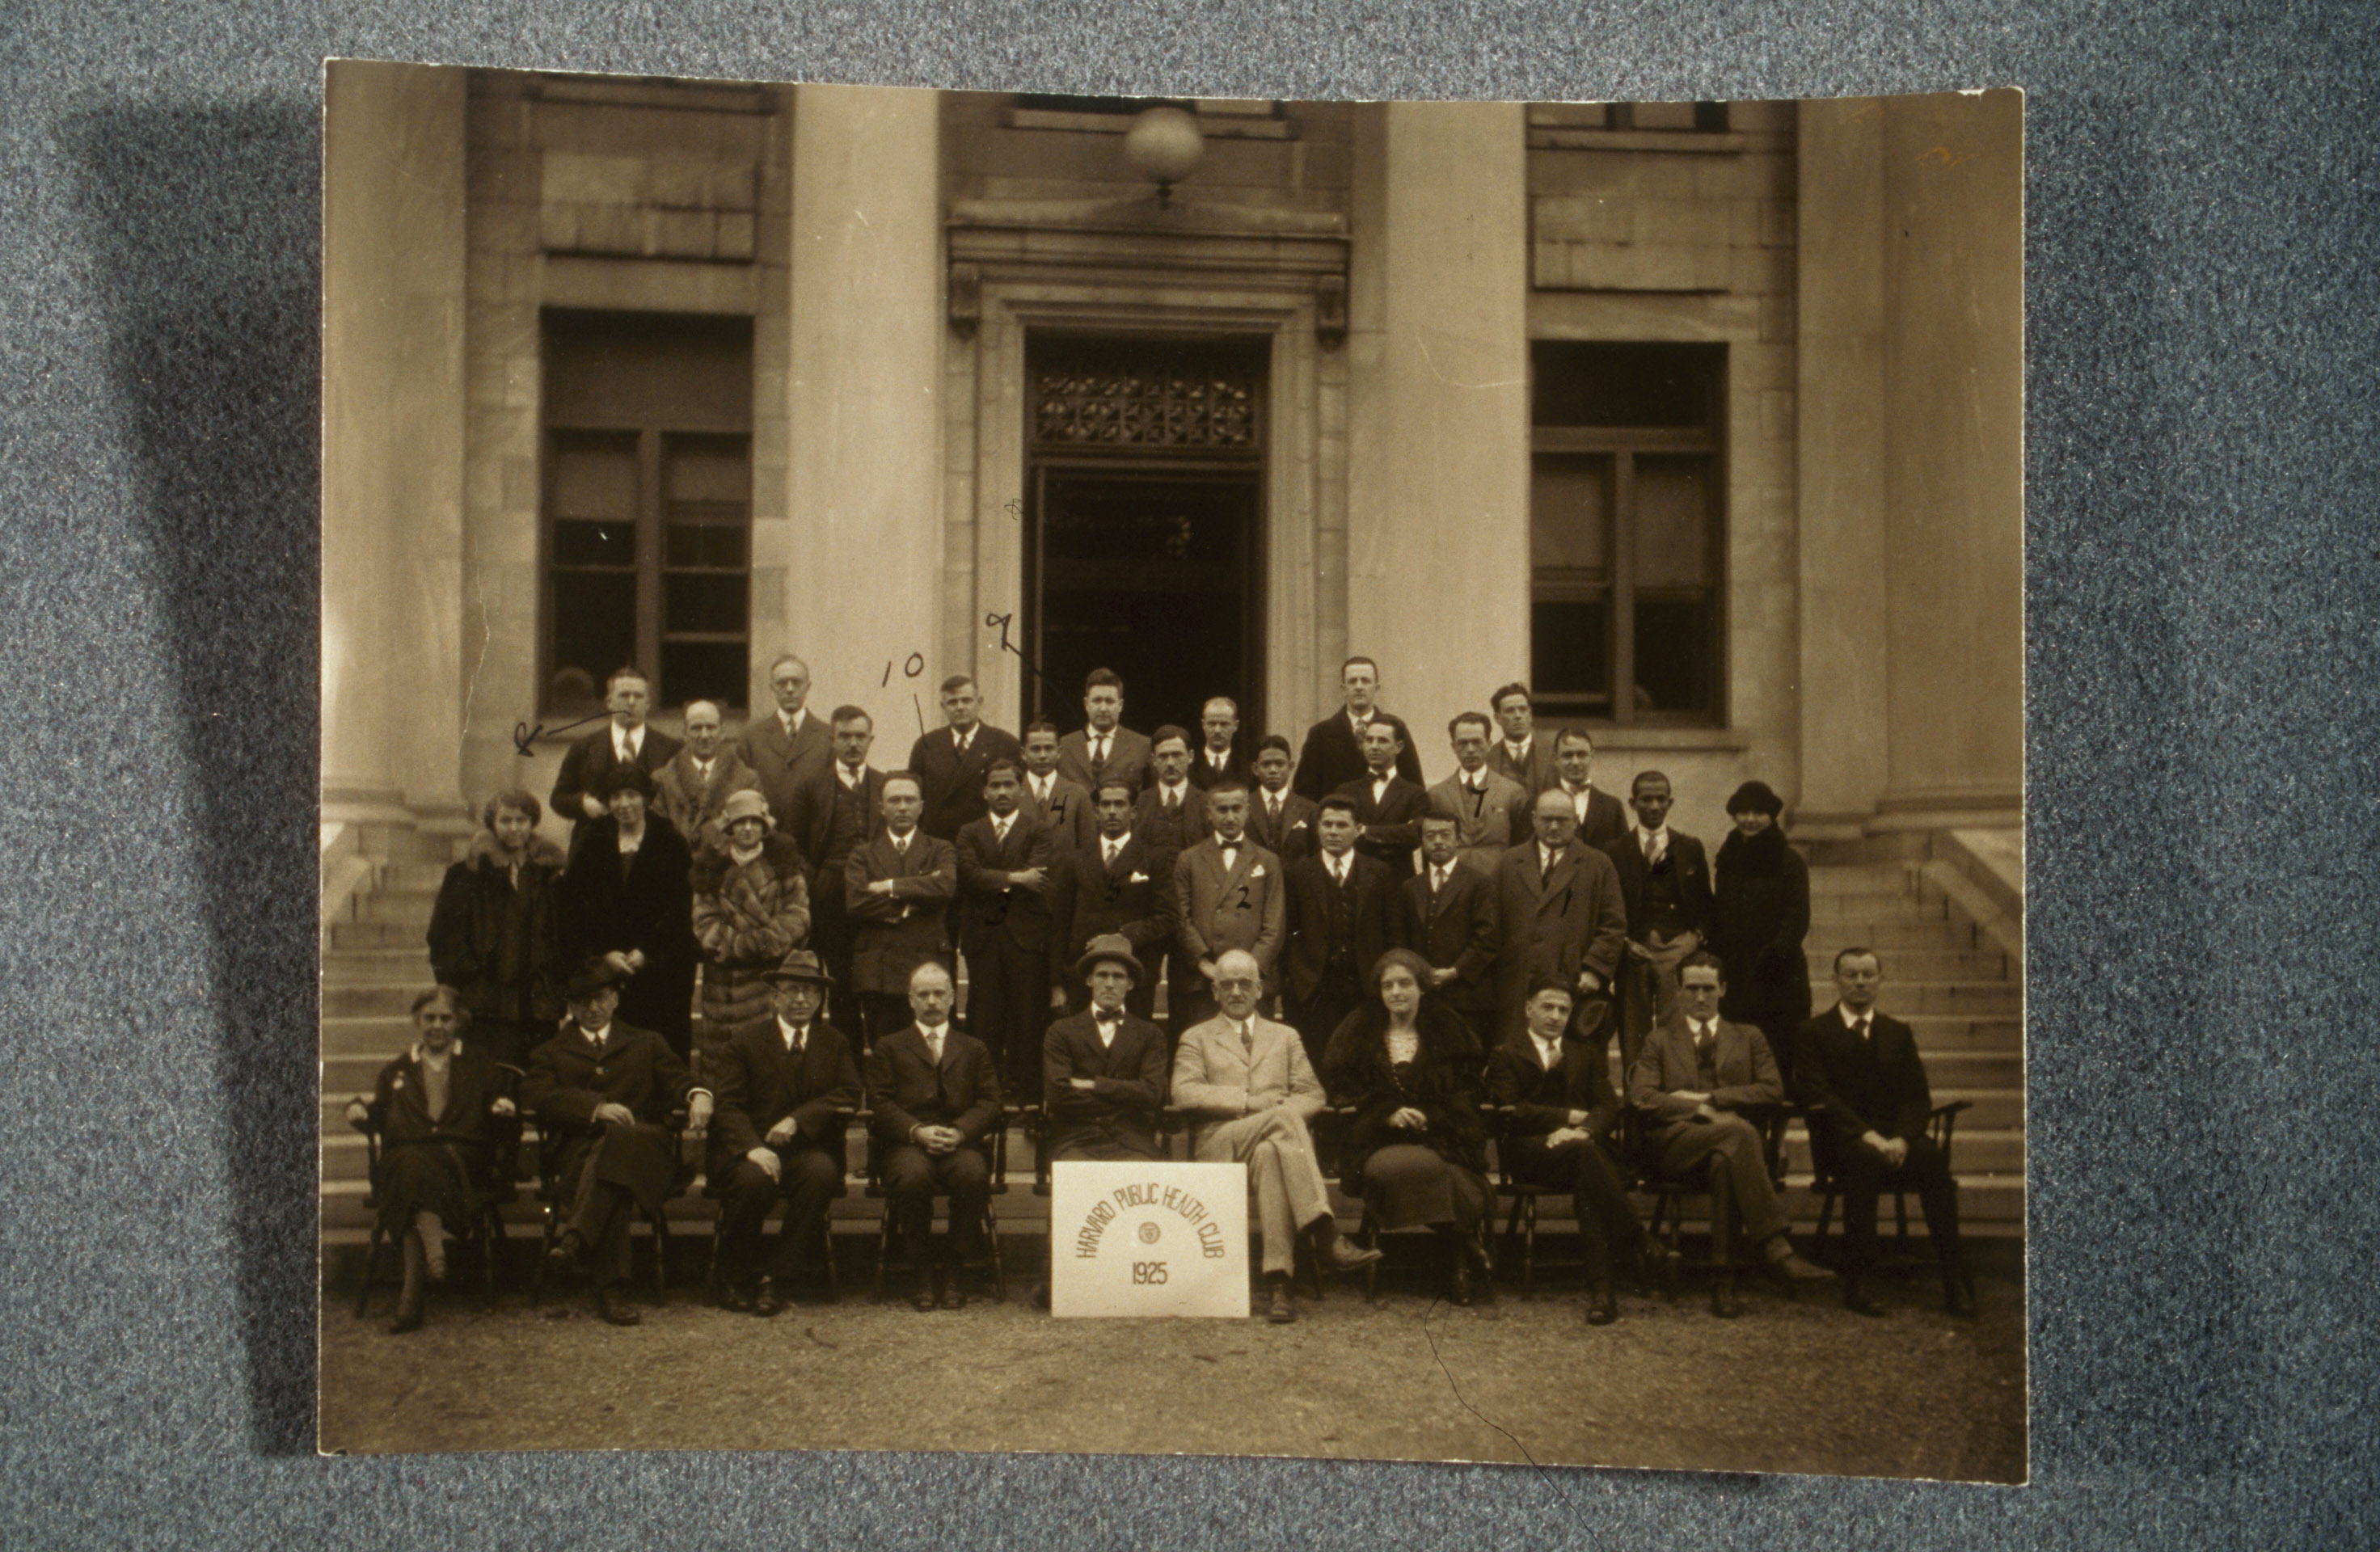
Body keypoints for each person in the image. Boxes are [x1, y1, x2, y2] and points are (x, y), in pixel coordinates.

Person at [1171, 949, 1382, 1322]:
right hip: (1219, 1143)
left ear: (1260, 989)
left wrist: (1280, 1116)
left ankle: (1279, 1282)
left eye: (1245, 983)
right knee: (1282, 1121)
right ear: (1215, 992)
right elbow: (1185, 1092)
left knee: (1273, 1152)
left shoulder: (1285, 1037)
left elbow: (1313, 1094)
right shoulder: (1196, 1037)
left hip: (1273, 1145)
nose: (1236, 991)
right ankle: (1325, 1233)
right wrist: (1252, 1102)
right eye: (1227, 985)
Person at [1627, 952, 1832, 1317]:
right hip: (1675, 1147)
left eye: (1708, 988)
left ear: (1723, 989)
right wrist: (1697, 1111)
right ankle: (1777, 1248)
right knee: (1739, 1132)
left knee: (1727, 1155)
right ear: (1678, 991)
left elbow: (1773, 1090)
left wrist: (1712, 1098)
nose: (1701, 997)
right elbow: (1641, 1096)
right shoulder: (1660, 1040)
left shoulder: (1749, 1036)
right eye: (1692, 988)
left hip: (1730, 1151)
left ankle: (1723, 1280)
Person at [522, 961, 713, 1326]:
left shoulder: (646, 1041)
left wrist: (698, 1095)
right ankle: (613, 1290)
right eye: (581, 1002)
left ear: (615, 1000)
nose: (591, 1009)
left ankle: (577, 1239)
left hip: (646, 1149)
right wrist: (595, 1109)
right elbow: (537, 1095)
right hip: (580, 1155)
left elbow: (678, 1080)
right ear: (570, 1007)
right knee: (614, 1174)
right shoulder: (551, 1051)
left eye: (599, 999)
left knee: (622, 1143)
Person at [1796, 948, 1977, 1318]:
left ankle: (1953, 1278)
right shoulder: (1815, 1031)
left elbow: (1917, 1096)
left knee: (1931, 1159)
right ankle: (1858, 1281)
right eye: (1851, 975)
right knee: (1863, 1163)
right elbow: (1819, 1096)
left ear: (1880, 980)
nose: (1860, 982)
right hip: (1844, 1141)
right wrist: (1870, 1137)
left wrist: (1903, 1138)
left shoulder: (1897, 1032)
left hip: (1896, 1140)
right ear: (1835, 981)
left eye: (1867, 975)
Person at [1483, 981, 1671, 1325]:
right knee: (1588, 1158)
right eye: (1547, 1007)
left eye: (1563, 1010)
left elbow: (1608, 1105)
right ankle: (1638, 1239)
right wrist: (1565, 1118)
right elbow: (1513, 1109)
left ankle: (1603, 1294)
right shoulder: (1505, 1054)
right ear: (1529, 1009)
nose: (1555, 1016)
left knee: (1587, 1171)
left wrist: (1582, 1131)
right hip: (1531, 1155)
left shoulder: (1584, 1053)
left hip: (1582, 1152)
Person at [1319, 949, 1494, 1305]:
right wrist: (1386, 1113)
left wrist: (1431, 1114)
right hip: (1378, 1142)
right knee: (1407, 1169)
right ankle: (1460, 1246)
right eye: (1388, 985)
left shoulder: (1449, 1032)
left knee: (1441, 1167)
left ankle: (1456, 1260)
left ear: (1422, 988)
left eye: (1405, 983)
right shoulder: (1359, 1034)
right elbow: (1343, 1093)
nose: (1396, 992)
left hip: (1439, 1138)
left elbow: (1467, 1093)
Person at [344, 988, 518, 1332]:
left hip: (459, 1159)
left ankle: (410, 1299)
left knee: (409, 1175)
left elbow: (497, 1098)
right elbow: (378, 1112)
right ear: (416, 1021)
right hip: (408, 1158)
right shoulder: (397, 1069)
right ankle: (431, 1256)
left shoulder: (478, 1063)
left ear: (458, 1022)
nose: (437, 1026)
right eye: (429, 1018)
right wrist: (357, 1108)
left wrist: (500, 1105)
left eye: (445, 1018)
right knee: (409, 1164)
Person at [706, 951, 861, 1317]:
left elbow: (850, 1092)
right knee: (754, 1182)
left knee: (821, 1174)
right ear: (774, 997)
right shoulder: (744, 1041)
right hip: (750, 1151)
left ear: (820, 999)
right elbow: (727, 1104)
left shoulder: (833, 1042)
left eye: (809, 992)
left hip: (805, 1149)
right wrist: (752, 1148)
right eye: (792, 990)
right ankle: (734, 1278)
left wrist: (798, 1120)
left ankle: (777, 1278)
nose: (801, 1000)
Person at [863, 962, 1003, 1310]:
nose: (931, 1001)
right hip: (908, 1143)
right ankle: (922, 1270)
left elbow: (990, 1102)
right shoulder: (890, 1046)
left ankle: (955, 1269)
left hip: (961, 1143)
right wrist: (917, 1131)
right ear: (910, 1000)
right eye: (922, 995)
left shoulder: (974, 1048)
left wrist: (960, 1132)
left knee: (973, 1177)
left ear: (953, 997)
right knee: (912, 1179)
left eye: (939, 994)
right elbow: (879, 1102)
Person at [557, 765, 698, 1060]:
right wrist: (605, 953)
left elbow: (681, 906)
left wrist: (648, 951)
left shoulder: (670, 841)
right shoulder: (593, 841)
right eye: (616, 797)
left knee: (662, 1044)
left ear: (645, 799)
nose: (624, 804)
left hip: (660, 966)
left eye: (631, 795)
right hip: (607, 965)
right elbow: (575, 904)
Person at [426, 788, 566, 1069]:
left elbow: (564, 933)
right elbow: (443, 938)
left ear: (532, 823)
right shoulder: (465, 875)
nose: (514, 828)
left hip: (538, 1004)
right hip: (488, 1006)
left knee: (537, 1080)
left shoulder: (548, 873)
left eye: (522, 820)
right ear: (492, 824)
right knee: (490, 1084)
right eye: (505, 821)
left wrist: (554, 981)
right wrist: (471, 982)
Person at [955, 759, 1059, 1101]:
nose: (1002, 792)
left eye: (1009, 785)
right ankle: (987, 1101)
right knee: (983, 1021)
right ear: (985, 792)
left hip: (1025, 939)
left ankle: (1028, 1102)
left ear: (1020, 789)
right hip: (982, 940)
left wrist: (994, 880)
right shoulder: (969, 831)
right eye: (995, 786)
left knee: (1027, 1021)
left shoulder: (1038, 829)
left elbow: (1037, 876)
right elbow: (968, 876)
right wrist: (1015, 878)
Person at [1490, 790, 1628, 1048]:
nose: (1553, 826)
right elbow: (1490, 921)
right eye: (1546, 819)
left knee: (1571, 1060)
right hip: (1518, 981)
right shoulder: (1509, 862)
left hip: (1573, 979)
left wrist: (1595, 969)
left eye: (1562, 820)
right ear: (1533, 819)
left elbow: (1614, 924)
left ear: (1576, 821)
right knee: (1518, 1056)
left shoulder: (1598, 864)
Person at [690, 789, 812, 1076]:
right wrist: (737, 944)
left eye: (754, 822)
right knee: (722, 1061)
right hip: (723, 983)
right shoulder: (710, 869)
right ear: (729, 827)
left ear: (764, 826)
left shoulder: (785, 866)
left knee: (766, 1058)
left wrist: (760, 943)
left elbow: (798, 916)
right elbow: (704, 921)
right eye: (740, 822)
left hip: (767, 978)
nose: (747, 828)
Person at [783, 705, 887, 1030]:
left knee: (864, 985)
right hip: (826, 899)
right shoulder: (811, 786)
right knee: (827, 985)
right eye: (845, 736)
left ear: (871, 739)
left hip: (873, 900)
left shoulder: (886, 785)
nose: (853, 743)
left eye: (860, 736)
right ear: (832, 740)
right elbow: (792, 844)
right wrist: (815, 883)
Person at [1602, 770, 1713, 1076]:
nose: (1653, 806)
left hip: (1676, 953)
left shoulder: (1689, 847)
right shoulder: (1615, 850)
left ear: (1670, 802)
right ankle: (1637, 1104)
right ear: (1632, 802)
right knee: (1633, 1035)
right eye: (1646, 799)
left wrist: (1694, 938)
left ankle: (1673, 1099)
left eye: (1660, 799)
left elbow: (1706, 903)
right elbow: (1606, 907)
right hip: (1633, 952)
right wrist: (1624, 943)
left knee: (1676, 1031)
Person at [1707, 780, 1812, 1093]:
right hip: (1737, 972)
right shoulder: (1728, 858)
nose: (1750, 819)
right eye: (1743, 812)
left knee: (1779, 1056)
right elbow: (1721, 910)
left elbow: (1798, 916)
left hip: (1777, 972)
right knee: (1739, 1057)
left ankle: (1774, 1135)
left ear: (1771, 816)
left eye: (1758, 812)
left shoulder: (1788, 860)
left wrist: (1775, 954)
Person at [843, 771, 958, 1050]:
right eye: (895, 800)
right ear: (882, 808)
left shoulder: (941, 848)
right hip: (880, 968)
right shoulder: (862, 854)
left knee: (932, 1046)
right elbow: (857, 902)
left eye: (910, 800)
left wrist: (889, 886)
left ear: (921, 807)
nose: (903, 807)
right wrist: (912, 904)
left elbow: (944, 886)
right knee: (884, 1049)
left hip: (928, 959)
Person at [1281, 795, 1395, 1069]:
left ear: (1358, 829)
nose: (1333, 832)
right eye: (1327, 824)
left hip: (1364, 983)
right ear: (1317, 828)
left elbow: (1393, 932)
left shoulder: (1379, 872)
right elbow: (1289, 932)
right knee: (1316, 1056)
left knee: (1362, 1055)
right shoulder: (1298, 873)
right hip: (1315, 985)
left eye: (1342, 825)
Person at [1170, 780, 1285, 1033]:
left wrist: (1249, 972)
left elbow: (1274, 924)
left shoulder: (1268, 861)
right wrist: (1206, 966)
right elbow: (1181, 917)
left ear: (1247, 811)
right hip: (1205, 981)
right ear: (1209, 813)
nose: (1230, 816)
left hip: (1253, 980)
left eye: (1236, 808)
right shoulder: (1189, 859)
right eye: (1222, 810)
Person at [1042, 935, 1170, 1160]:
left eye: (1118, 976)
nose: (1110, 983)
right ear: (1089, 980)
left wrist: (1094, 1084)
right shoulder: (1061, 1031)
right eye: (1102, 975)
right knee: (1075, 1174)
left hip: (1133, 1141)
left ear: (1130, 983)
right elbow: (1058, 1095)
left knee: (1143, 1174)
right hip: (1075, 1140)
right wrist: (1125, 1097)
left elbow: (1152, 1094)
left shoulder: (1151, 1035)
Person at [1057, 779, 1175, 1020]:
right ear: (1096, 811)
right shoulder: (1075, 860)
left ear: (1133, 812)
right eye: (1106, 804)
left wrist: (1122, 936)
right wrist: (1057, 982)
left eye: (1119, 804)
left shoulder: (1153, 858)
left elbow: (1167, 916)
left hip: (1135, 973)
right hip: (1084, 973)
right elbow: (1061, 922)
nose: (1112, 811)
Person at [1391, 813, 1500, 1046]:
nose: (1438, 841)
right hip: (1423, 996)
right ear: (1422, 842)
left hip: (1468, 997)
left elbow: (1487, 939)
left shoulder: (1480, 883)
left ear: (1458, 839)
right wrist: (1417, 976)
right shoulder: (1410, 887)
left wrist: (1455, 971)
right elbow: (1402, 940)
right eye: (1430, 836)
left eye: (1445, 835)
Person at [549, 667, 684, 836]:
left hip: (653, 845)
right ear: (609, 702)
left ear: (648, 703)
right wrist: (583, 804)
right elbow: (559, 797)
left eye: (639, 696)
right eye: (624, 695)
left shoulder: (671, 749)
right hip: (595, 844)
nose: (632, 702)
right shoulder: (584, 747)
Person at [907, 673, 1023, 842]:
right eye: (952, 702)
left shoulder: (1004, 743)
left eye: (966, 700)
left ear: (980, 702)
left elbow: (1018, 797)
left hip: (988, 842)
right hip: (938, 841)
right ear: (943, 706)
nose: (960, 707)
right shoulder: (926, 745)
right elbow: (914, 797)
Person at [1292, 656, 1423, 801]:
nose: (1359, 687)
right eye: (1352, 681)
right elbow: (1304, 795)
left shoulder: (1397, 729)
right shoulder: (1321, 733)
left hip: (1384, 822)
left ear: (1376, 687)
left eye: (1365, 681)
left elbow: (1415, 788)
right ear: (1343, 689)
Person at [738, 653, 833, 835]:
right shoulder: (751, 738)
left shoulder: (828, 737)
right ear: (772, 688)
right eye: (782, 683)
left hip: (812, 842)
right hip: (766, 841)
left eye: (796, 682)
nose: (790, 689)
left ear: (808, 687)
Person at [1427, 711, 1533, 875]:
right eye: (1463, 743)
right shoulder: (1437, 794)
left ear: (1489, 744)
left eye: (1477, 742)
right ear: (1453, 747)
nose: (1470, 749)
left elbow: (1523, 848)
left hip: (1497, 879)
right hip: (1454, 883)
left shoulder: (1513, 792)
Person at [652, 698, 760, 853]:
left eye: (711, 727)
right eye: (696, 728)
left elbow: (752, 834)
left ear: (722, 732)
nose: (704, 735)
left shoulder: (747, 780)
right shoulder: (663, 780)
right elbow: (657, 835)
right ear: (685, 733)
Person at [1331, 719, 1428, 880]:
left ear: (1399, 747)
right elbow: (1340, 833)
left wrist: (1365, 831)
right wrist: (1396, 832)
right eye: (1369, 740)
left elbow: (1416, 834)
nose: (1374, 746)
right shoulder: (1345, 790)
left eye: (1382, 741)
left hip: (1397, 878)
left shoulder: (1414, 793)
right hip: (1356, 877)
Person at [1055, 668, 1152, 796]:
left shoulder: (1143, 746)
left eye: (1109, 701)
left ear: (1121, 705)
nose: (1103, 708)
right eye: (1097, 700)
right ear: (1086, 704)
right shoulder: (1064, 746)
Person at [1019, 719, 1096, 857]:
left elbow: (1088, 849)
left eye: (1049, 748)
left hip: (1063, 876)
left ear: (1059, 752)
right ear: (1023, 753)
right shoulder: (1012, 793)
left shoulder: (1077, 794)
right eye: (1036, 749)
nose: (1043, 755)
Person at [1132, 725, 1211, 857]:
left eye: (1177, 755)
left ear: (1190, 757)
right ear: (1154, 760)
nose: (1170, 763)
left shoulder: (1206, 802)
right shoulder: (1140, 802)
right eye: (1163, 756)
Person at [1548, 728, 1628, 850]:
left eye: (1581, 755)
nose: (1575, 762)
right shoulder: (1539, 805)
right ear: (1555, 759)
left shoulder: (1612, 807)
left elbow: (1623, 855)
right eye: (1567, 755)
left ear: (1592, 756)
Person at [1245, 735, 1317, 869]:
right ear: (1255, 769)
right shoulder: (1243, 807)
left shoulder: (1310, 809)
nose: (1273, 770)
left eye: (1279, 764)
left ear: (1291, 766)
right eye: (1266, 764)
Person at [1485, 682, 1561, 799]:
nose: (1518, 716)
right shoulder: (1488, 759)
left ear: (1530, 714)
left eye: (1523, 709)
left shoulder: (1553, 753)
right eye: (1510, 711)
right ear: (1498, 718)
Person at [1188, 696, 1251, 791]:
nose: (1217, 730)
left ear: (1235, 726)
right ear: (1203, 725)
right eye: (1212, 724)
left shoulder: (1247, 770)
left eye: (1224, 724)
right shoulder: (1189, 767)